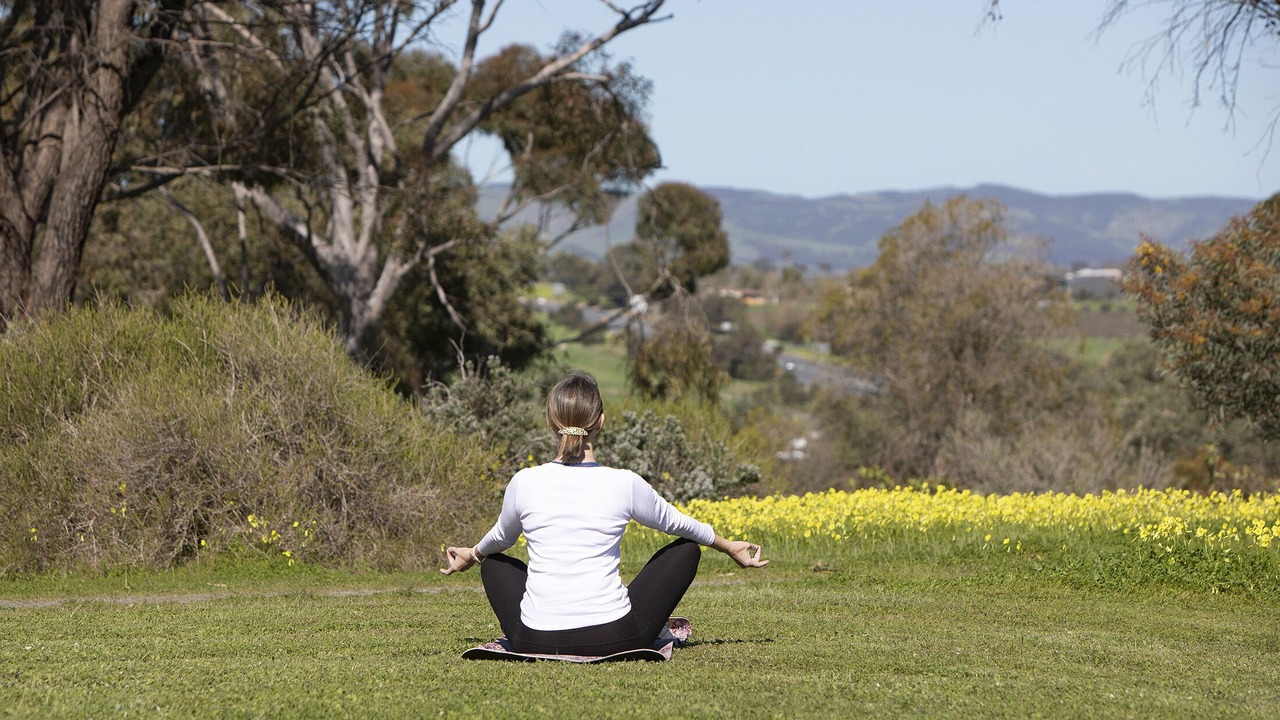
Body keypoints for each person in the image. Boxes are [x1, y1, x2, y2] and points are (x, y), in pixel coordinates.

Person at [440, 370, 768, 656]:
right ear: (601, 421)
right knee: (686, 550)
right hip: (616, 638)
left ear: (551, 423)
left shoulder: (524, 481)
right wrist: (729, 546)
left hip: (532, 639)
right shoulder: (623, 483)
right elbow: (679, 524)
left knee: (492, 562)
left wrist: (472, 554)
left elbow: (499, 538)